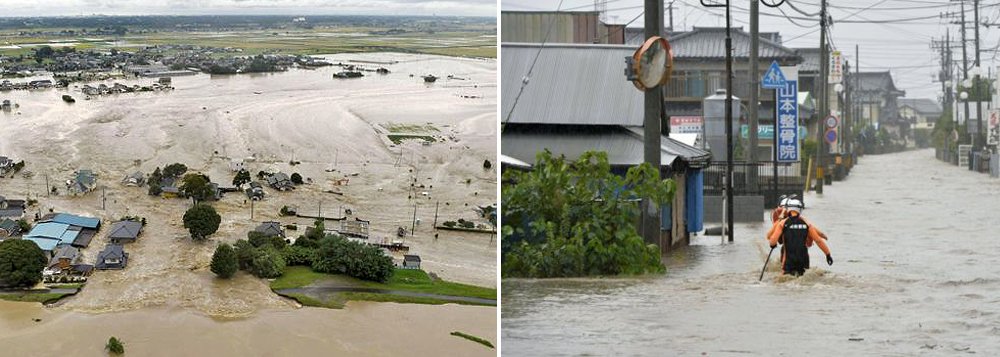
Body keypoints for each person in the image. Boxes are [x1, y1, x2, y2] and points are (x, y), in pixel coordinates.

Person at [767, 199, 833, 276]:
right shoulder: (806, 223)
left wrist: (772, 244)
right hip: (803, 258)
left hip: (789, 259)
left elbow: (772, 239)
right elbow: (818, 240)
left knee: (786, 281)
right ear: (799, 209)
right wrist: (828, 254)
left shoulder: (782, 223)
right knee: (803, 279)